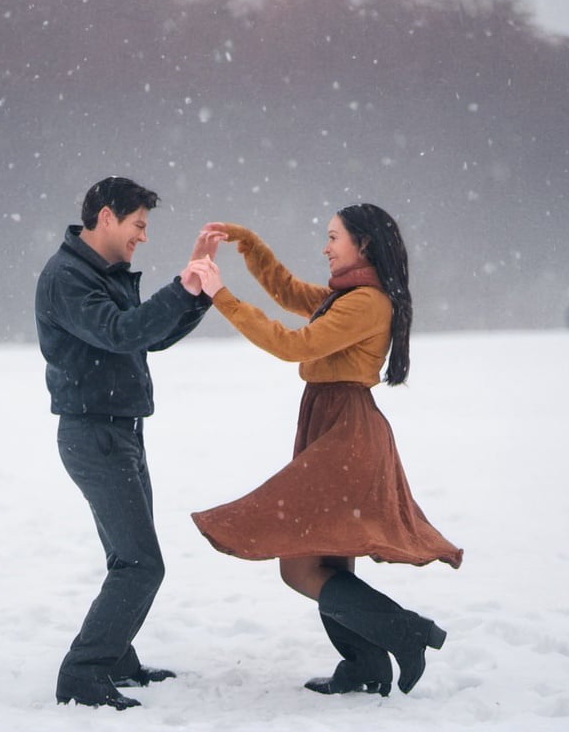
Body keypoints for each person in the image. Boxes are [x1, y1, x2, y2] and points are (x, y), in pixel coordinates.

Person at [185, 204, 463, 697]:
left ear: (364, 245)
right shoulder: (349, 297)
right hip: (334, 423)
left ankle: (404, 631)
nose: (326, 246)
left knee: (299, 566)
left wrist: (220, 297)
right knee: (331, 560)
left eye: (334, 237)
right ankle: (366, 665)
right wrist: (248, 243)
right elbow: (290, 292)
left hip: (346, 431)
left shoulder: (365, 304)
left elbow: (294, 345)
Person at [35, 176, 216, 710]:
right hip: (95, 435)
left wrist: (197, 293)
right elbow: (120, 331)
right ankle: (83, 672)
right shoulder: (68, 278)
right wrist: (179, 287)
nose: (143, 237)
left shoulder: (101, 273)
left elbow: (146, 335)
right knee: (141, 564)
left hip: (121, 432)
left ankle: (115, 657)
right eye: (138, 225)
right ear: (108, 217)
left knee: (128, 557)